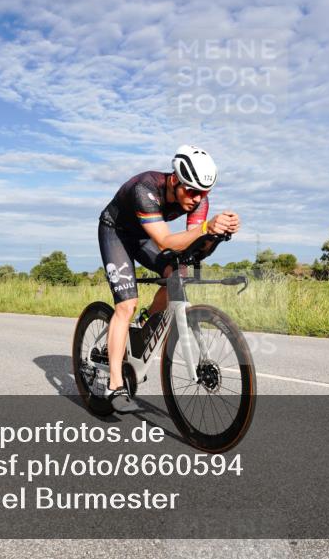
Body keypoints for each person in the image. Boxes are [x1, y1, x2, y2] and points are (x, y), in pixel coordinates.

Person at [97, 145, 240, 412]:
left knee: (178, 274)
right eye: (192, 191)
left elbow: (191, 250)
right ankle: (114, 384)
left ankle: (145, 323)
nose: (197, 199)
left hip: (143, 236)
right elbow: (165, 240)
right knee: (126, 305)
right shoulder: (145, 188)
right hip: (116, 232)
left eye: (204, 193)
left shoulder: (197, 198)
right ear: (174, 180)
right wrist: (206, 228)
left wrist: (217, 236)